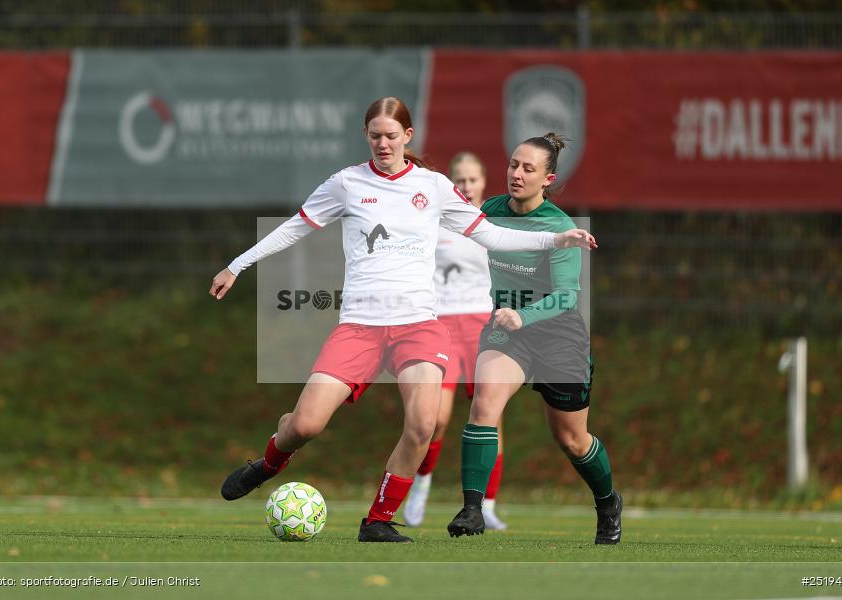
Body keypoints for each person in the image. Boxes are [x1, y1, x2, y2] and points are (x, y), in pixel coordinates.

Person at [210, 98, 598, 544]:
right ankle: (268, 464)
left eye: (391, 136)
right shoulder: (346, 184)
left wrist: (556, 237)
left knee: (424, 423)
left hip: (418, 326)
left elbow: (488, 232)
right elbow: (296, 226)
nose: (383, 143)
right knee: (305, 426)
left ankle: (378, 519)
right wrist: (237, 265)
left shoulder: (432, 187)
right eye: (375, 135)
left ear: (407, 138)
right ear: (366, 136)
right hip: (359, 325)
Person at [446, 133, 622, 545]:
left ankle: (608, 501)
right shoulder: (489, 210)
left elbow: (566, 297)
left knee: (572, 440)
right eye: (512, 165)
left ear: (548, 178)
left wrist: (522, 315)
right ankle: (473, 510)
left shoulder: (561, 228)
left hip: (557, 336)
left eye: (528, 169)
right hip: (508, 332)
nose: (516, 174)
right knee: (484, 402)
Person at [403, 152, 508, 531]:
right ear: (450, 183)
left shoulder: (491, 225)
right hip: (441, 327)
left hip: (484, 328)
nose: (465, 186)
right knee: (436, 418)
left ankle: (488, 504)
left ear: (483, 183)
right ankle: (421, 485)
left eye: (472, 180)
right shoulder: (434, 222)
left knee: (489, 418)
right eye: (458, 180)